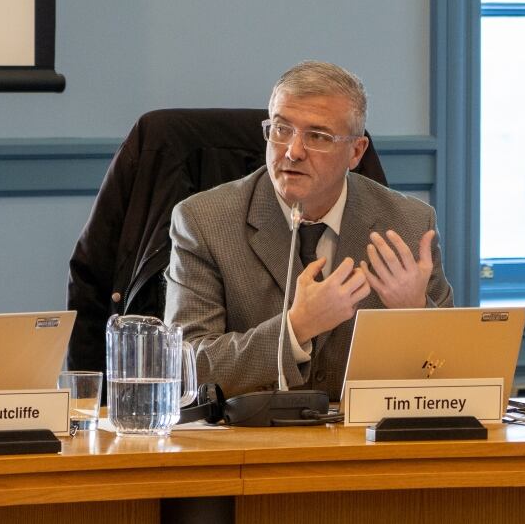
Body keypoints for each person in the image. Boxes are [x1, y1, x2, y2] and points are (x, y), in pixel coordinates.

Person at [165, 61, 453, 401]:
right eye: (281, 129)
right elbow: (185, 369)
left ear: (356, 152)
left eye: (317, 136)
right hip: (249, 445)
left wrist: (415, 314)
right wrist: (296, 328)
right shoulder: (204, 221)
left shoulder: (408, 224)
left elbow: (453, 373)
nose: (293, 151)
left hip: (365, 443)